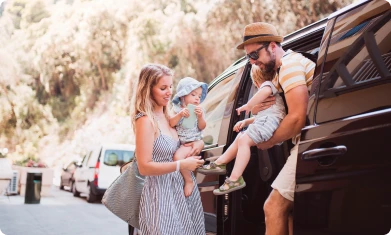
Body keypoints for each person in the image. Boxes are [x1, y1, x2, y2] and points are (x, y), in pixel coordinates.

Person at [236, 22, 316, 235]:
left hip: (309, 143)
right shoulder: (284, 72)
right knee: (290, 213)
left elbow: (297, 118)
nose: (253, 62)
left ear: (272, 46)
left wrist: (268, 141)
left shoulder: (289, 66)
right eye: (249, 58)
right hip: (309, 142)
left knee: (273, 207)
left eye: (255, 55)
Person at [131, 64, 206, 235]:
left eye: (171, 86)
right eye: (163, 88)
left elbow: (191, 136)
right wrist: (181, 165)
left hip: (180, 192)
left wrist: (199, 144)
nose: (169, 92)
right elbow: (144, 166)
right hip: (160, 195)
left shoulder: (170, 116)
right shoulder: (145, 120)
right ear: (148, 90)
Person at [197, 65, 286, 196]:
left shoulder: (268, 86)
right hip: (267, 122)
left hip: (268, 123)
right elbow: (264, 117)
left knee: (244, 140)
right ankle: (220, 163)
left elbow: (264, 95)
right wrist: (246, 121)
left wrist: (248, 105)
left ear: (255, 82)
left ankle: (235, 178)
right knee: (240, 137)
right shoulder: (270, 95)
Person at [169, 77, 208, 197]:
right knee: (178, 157)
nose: (197, 98)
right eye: (193, 94)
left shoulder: (198, 110)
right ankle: (187, 178)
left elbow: (202, 127)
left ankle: (188, 180)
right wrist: (180, 114)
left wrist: (200, 117)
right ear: (182, 96)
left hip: (193, 142)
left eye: (199, 95)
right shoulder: (176, 109)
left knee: (177, 157)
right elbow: (171, 123)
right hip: (182, 143)